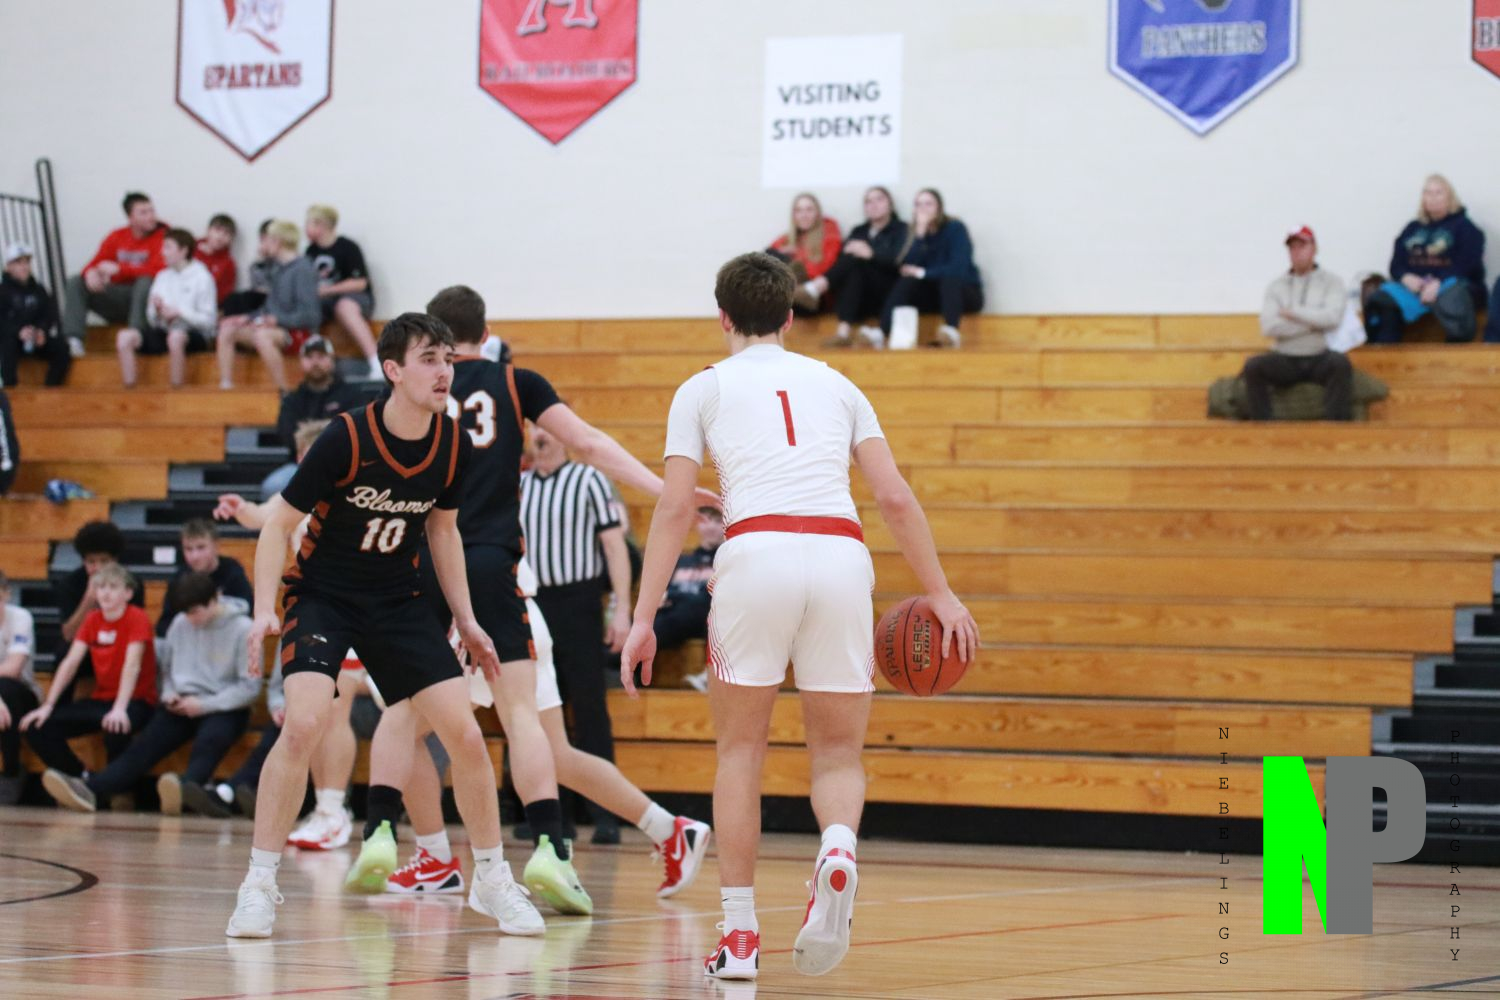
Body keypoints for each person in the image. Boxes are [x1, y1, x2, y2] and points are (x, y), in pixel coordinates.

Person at [621, 252, 979, 981]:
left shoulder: (702, 388)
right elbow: (895, 497)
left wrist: (643, 615)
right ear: (789, 316)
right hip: (842, 556)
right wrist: (940, 592)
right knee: (839, 754)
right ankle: (838, 846)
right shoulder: (839, 383)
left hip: (756, 554)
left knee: (739, 754)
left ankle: (740, 935)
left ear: (723, 317)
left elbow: (676, 507)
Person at [368, 284, 710, 910]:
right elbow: (593, 443)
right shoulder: (514, 383)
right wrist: (669, 491)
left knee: (406, 721)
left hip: (453, 588)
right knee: (544, 747)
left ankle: (436, 854)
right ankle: (667, 829)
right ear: (486, 332)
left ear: (434, 339)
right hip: (510, 590)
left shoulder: (416, 395)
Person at [224, 312, 543, 940]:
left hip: (397, 600)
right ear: (393, 370)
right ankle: (257, 884)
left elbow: (443, 532)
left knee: (466, 735)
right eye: (429, 359)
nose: (444, 371)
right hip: (324, 596)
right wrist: (264, 609)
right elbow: (277, 525)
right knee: (305, 723)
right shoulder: (346, 436)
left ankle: (492, 879)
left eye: (448, 359)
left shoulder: (451, 442)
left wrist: (466, 620)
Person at [390, 554, 711, 901]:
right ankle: (669, 830)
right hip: (524, 614)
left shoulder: (452, 521)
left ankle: (435, 857)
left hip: (483, 619)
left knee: (400, 732)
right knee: (555, 754)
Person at [38, 573, 257, 815]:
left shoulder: (244, 629)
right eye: (186, 613)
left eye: (195, 612)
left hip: (225, 707)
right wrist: (170, 694)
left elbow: (249, 688)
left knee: (210, 739)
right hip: (182, 703)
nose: (191, 619)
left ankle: (186, 790)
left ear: (214, 599)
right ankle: (90, 790)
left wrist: (204, 705)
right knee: (143, 747)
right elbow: (168, 670)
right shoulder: (180, 623)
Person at [520, 422, 637, 843]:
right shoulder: (518, 485)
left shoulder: (589, 480)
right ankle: (550, 815)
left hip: (579, 603)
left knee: (589, 708)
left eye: (548, 429)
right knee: (534, 709)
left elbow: (615, 547)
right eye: (535, 428)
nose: (541, 436)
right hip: (532, 603)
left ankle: (605, 813)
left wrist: (621, 610)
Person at [21, 564, 157, 799]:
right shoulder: (93, 619)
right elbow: (70, 662)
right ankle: (80, 779)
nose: (105, 593)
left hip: (136, 701)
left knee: (116, 726)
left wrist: (120, 708)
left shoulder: (137, 617)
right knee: (37, 726)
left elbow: (132, 664)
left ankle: (115, 792)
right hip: (102, 699)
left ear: (127, 593)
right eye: (101, 587)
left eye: (112, 587)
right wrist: (48, 705)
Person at [1241, 227, 1352, 422]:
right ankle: (1263, 427)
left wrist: (1293, 313)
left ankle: (1337, 428)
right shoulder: (1276, 286)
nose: (1297, 251)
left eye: (1302, 246)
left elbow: (1332, 319)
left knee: (1340, 364)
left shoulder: (1332, 282)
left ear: (1314, 249)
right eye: (1292, 247)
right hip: (1285, 357)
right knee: (1253, 367)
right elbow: (1269, 326)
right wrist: (1314, 323)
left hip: (1319, 355)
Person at [1365, 174, 1487, 344]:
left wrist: (1438, 283)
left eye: (1438, 193)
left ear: (1450, 197)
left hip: (1450, 286)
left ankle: (1455, 351)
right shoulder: (1412, 228)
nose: (1433, 198)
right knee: (1381, 297)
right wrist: (1406, 277)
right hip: (1415, 289)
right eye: (1428, 193)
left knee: (1452, 296)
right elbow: (1396, 265)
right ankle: (1386, 351)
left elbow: (1468, 265)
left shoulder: (1466, 228)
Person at [799, 188, 910, 349]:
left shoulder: (903, 229)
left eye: (879, 199)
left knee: (855, 260)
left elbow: (902, 262)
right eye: (868, 201)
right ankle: (842, 333)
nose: (874, 204)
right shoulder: (859, 230)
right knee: (852, 263)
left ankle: (815, 288)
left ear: (890, 204)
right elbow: (843, 262)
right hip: (861, 295)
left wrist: (871, 254)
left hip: (889, 293)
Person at [216, 221, 320, 392]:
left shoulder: (303, 269)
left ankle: (283, 391)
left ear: (278, 241)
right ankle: (226, 386)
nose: (263, 244)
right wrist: (246, 318)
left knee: (262, 336)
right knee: (228, 328)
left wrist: (276, 320)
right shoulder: (277, 268)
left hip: (298, 331)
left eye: (267, 239)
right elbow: (269, 308)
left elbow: (311, 316)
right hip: (276, 327)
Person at [62, 192, 168, 358]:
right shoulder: (117, 236)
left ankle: (135, 336)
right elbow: (95, 262)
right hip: (119, 298)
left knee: (145, 281)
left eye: (152, 211)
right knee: (76, 281)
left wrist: (121, 269)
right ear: (130, 217)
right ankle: (73, 341)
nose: (151, 216)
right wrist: (90, 273)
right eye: (144, 212)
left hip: (146, 301)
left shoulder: (163, 236)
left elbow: (159, 270)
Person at [878, 188, 983, 349]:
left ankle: (951, 330)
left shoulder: (955, 228)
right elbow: (908, 267)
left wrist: (923, 273)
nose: (923, 209)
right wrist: (919, 236)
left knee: (949, 278)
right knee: (907, 281)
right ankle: (882, 331)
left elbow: (957, 268)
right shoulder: (913, 233)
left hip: (962, 292)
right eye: (918, 205)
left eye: (928, 204)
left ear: (939, 207)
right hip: (934, 295)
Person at [260, 335, 363, 498]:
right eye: (309, 357)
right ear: (301, 362)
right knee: (272, 487)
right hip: (300, 465)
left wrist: (307, 430)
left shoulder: (351, 395)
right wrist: (329, 427)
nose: (315, 362)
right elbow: (287, 436)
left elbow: (355, 432)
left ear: (332, 360)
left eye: (321, 356)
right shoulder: (292, 400)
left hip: (343, 466)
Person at [116, 228, 218, 389]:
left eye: (168, 247)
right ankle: (130, 390)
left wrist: (180, 313)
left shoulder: (202, 277)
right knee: (124, 337)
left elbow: (209, 321)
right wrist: (158, 311)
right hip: (165, 330)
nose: (163, 252)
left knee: (176, 337)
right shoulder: (162, 276)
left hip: (193, 334)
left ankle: (176, 391)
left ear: (183, 250)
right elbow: (151, 317)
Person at [305, 205, 381, 380]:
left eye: (310, 223)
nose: (306, 228)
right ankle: (313, 365)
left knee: (344, 306)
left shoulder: (347, 247)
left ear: (322, 225)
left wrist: (328, 290)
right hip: (325, 301)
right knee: (307, 306)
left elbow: (359, 283)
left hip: (354, 298)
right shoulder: (310, 251)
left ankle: (375, 360)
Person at [54, 521, 145, 654]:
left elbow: (135, 630)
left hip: (118, 645)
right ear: (84, 561)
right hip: (83, 648)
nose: (98, 568)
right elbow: (69, 634)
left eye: (104, 561)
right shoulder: (70, 583)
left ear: (115, 560)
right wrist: (89, 598)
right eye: (91, 562)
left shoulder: (131, 583)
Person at [156, 518, 254, 636]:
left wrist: (216, 611)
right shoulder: (180, 578)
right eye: (188, 549)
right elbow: (164, 624)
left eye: (201, 547)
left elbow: (246, 609)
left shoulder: (232, 571)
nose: (195, 556)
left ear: (216, 546)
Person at [0, 241, 70, 387]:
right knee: (8, 345)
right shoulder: (3, 291)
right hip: (12, 341)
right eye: (18, 262)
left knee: (61, 346)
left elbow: (50, 314)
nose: (24, 266)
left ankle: (51, 388)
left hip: (35, 339)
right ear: (8, 266)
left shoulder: (39, 290)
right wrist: (18, 332)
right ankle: (10, 389)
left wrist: (41, 331)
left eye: (26, 262)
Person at [0, 571, 39, 805]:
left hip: (23, 695)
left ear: (7, 594)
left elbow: (14, 668)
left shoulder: (20, 618)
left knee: (6, 687)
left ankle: (12, 771)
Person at [768, 193, 843, 313]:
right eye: (799, 210)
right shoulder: (790, 237)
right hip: (792, 289)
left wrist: (798, 255)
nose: (804, 215)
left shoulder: (829, 232)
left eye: (809, 209)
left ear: (817, 213)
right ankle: (784, 292)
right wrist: (783, 251)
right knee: (771, 255)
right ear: (794, 215)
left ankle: (781, 293)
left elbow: (825, 269)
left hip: (815, 297)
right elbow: (767, 255)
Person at [222, 219, 273, 317]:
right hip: (260, 298)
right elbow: (256, 286)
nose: (264, 243)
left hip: (274, 299)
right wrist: (261, 261)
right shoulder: (258, 264)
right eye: (262, 239)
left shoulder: (284, 264)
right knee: (234, 299)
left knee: (248, 298)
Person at [198, 214, 239, 306]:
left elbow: (223, 296)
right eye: (217, 230)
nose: (220, 237)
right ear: (208, 230)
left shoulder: (228, 263)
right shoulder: (189, 248)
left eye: (227, 233)